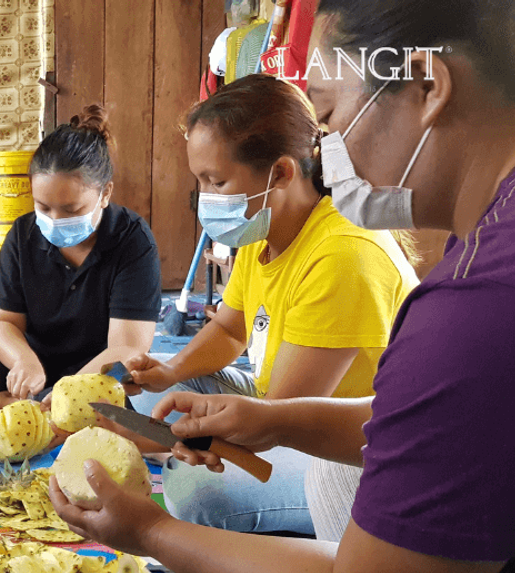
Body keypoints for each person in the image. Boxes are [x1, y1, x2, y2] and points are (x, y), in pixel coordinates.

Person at [49, 1, 515, 573]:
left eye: (327, 119)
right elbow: (444, 420)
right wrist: (277, 419)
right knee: (316, 471)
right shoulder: (486, 258)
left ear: (427, 85)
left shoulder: (470, 303)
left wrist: (151, 530)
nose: (328, 156)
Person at [123, 74, 418, 538]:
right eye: (200, 181)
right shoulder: (267, 231)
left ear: (280, 173)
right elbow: (229, 331)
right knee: (151, 392)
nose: (205, 198)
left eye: (216, 181)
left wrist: (132, 439)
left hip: (347, 452)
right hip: (277, 405)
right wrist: (171, 371)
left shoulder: (342, 256)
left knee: (195, 491)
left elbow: (282, 414)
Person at [0, 105, 160, 425]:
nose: (54, 221)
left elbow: (127, 347)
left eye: (71, 209)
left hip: (97, 364)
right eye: (43, 207)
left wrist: (68, 391)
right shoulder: (23, 235)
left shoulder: (132, 241)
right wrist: (23, 362)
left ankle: (11, 406)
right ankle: (27, 401)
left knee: (127, 425)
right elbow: (2, 323)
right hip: (32, 348)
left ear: (104, 194)